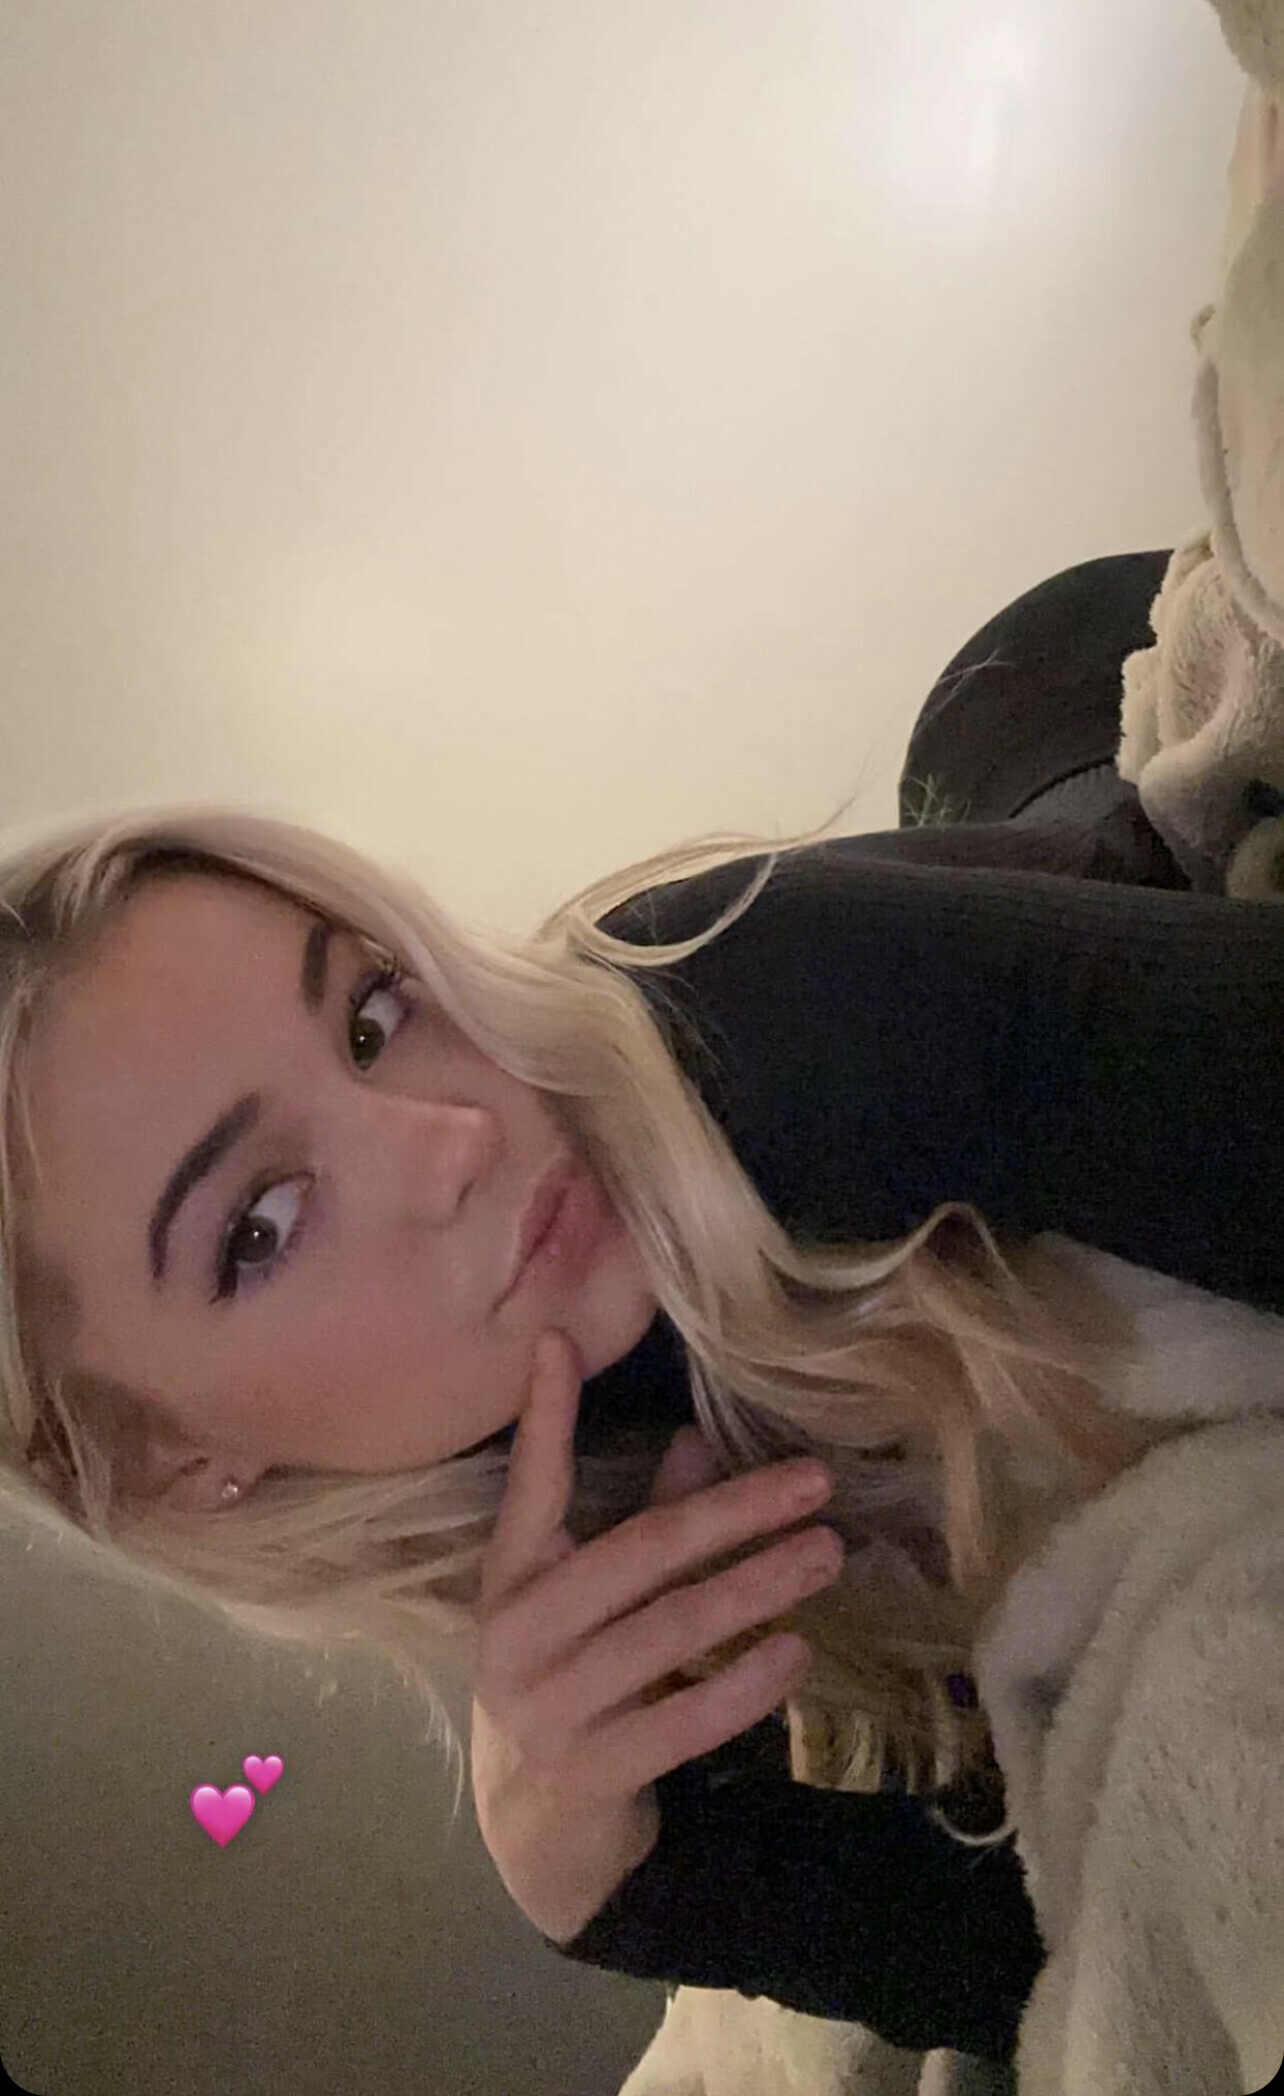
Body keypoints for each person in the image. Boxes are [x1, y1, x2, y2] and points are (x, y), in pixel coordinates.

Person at [3, 671, 1284, 2080]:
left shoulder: (747, 1004)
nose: (449, 1140)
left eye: (371, 1014)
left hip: (1034, 704)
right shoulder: (537, 1549)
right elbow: (1051, 1946)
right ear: (180, 1462)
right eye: (260, 1225)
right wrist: (613, 1882)